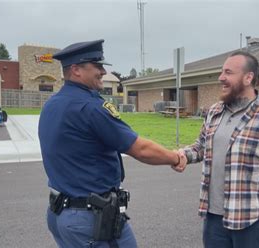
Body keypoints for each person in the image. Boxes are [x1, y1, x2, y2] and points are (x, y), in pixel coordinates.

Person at [39, 39, 187, 248]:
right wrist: (175, 157)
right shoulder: (90, 107)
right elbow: (140, 149)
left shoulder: (52, 104)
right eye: (96, 66)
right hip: (91, 220)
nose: (102, 71)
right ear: (76, 70)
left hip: (60, 214)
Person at [179, 51, 259, 247]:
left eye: (228, 72)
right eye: (221, 72)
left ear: (248, 77)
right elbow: (201, 146)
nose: (221, 78)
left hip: (251, 221)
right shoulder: (215, 111)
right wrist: (182, 155)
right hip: (214, 220)